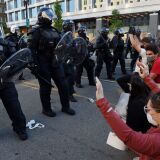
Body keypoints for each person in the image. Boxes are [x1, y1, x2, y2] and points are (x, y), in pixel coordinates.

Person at [96, 77, 160, 160]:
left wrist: (102, 103)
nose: (147, 112)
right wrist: (146, 77)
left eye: (148, 109)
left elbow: (129, 137)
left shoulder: (156, 142)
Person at [27, 7, 75, 117]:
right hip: (43, 62)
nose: (51, 17)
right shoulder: (36, 32)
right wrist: (33, 64)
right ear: (42, 16)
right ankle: (46, 109)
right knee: (45, 86)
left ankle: (66, 106)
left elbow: (61, 46)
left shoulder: (55, 31)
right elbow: (31, 50)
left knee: (63, 84)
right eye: (48, 15)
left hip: (55, 61)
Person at [0, 37, 27, 140]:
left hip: (5, 80)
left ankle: (20, 128)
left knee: (14, 106)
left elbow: (16, 60)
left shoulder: (6, 44)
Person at [61, 20, 77, 102]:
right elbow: (62, 46)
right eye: (70, 26)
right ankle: (69, 94)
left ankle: (71, 89)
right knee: (69, 77)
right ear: (66, 26)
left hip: (70, 58)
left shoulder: (70, 35)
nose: (72, 27)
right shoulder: (62, 35)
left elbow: (73, 45)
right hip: (64, 59)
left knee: (73, 75)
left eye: (72, 25)